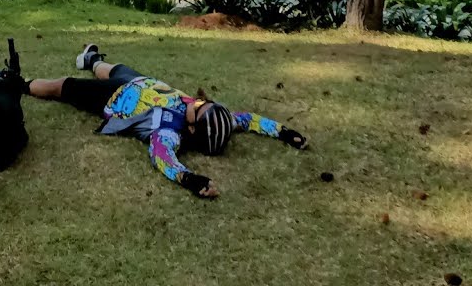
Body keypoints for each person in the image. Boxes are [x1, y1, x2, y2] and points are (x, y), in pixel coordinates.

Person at [24, 44, 309, 199]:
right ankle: (92, 59)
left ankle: (19, 83)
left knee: (62, 86)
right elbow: (248, 120)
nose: (198, 101)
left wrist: (190, 179)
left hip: (114, 98)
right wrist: (284, 132)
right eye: (205, 102)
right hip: (143, 81)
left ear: (193, 128)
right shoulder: (219, 118)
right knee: (111, 68)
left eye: (200, 107)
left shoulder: (168, 133)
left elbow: (163, 158)